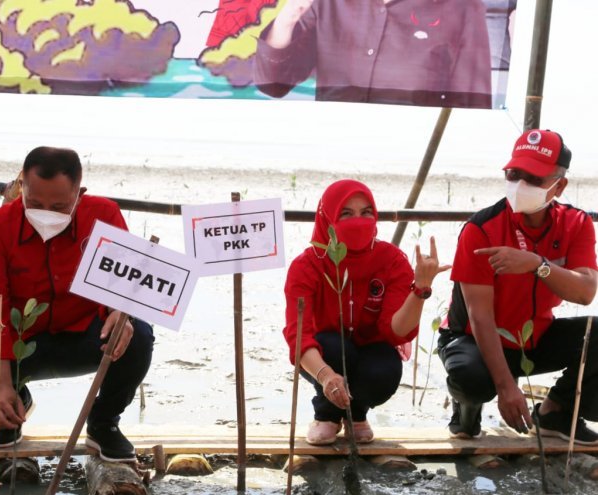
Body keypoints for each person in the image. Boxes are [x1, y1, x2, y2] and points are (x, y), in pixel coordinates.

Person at [0, 147, 154, 462]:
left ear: (79, 194)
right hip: (20, 339)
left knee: (139, 336)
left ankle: (103, 424)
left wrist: (121, 313)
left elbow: (121, 286)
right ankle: (15, 406)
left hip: (85, 334)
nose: (47, 213)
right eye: (35, 204)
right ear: (20, 186)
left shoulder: (104, 215)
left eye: (60, 206)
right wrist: (0, 387)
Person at [438, 129, 598, 444]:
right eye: (514, 174)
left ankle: (556, 412)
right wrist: (506, 387)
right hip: (471, 338)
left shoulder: (576, 223)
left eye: (534, 178)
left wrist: (538, 264)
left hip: (533, 338)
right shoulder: (480, 228)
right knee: (472, 381)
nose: (521, 184)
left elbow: (585, 292)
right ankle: (466, 413)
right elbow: (479, 316)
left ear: (559, 185)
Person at [284, 179, 449, 445]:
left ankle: (357, 414)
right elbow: (298, 334)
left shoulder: (392, 260)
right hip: (323, 355)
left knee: (385, 369)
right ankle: (326, 414)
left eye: (366, 213)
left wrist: (420, 289)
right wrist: (326, 377)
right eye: (346, 214)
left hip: (372, 350)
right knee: (337, 349)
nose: (358, 221)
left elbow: (396, 331)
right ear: (327, 218)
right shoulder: (308, 265)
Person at [254, 0, 492, 108]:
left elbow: (473, 104)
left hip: (411, 162)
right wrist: (287, 18)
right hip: (331, 152)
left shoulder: (462, 7)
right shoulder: (327, 3)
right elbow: (274, 84)